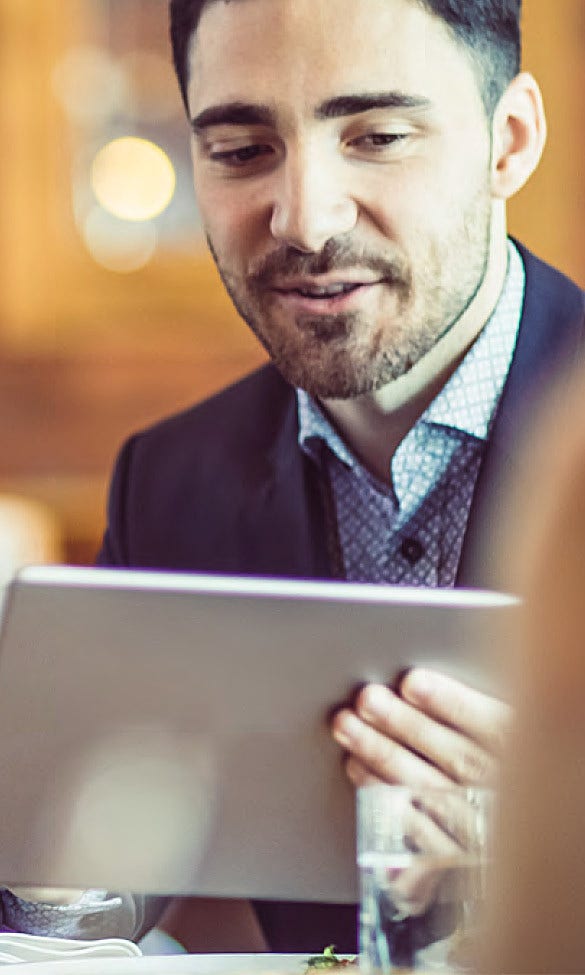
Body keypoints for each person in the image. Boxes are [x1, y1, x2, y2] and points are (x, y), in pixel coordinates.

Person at [3, 0, 584, 953]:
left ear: (508, 142)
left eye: (378, 136)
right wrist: (49, 858)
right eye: (239, 150)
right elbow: (90, 900)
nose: (306, 219)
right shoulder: (167, 481)